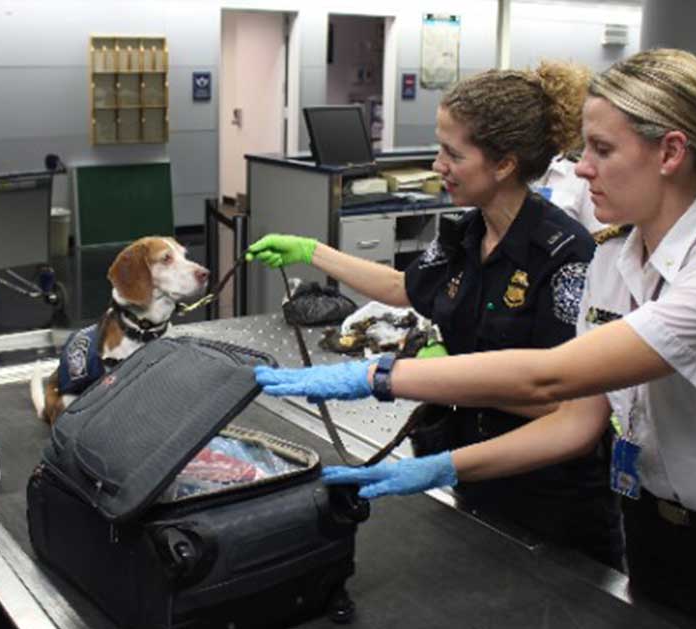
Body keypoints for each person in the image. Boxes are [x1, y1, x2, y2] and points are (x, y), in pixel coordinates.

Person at [256, 49, 696, 629]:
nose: (580, 167)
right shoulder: (616, 256)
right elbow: (577, 421)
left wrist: (375, 377)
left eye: (601, 149)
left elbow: (553, 376)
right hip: (657, 532)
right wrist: (442, 468)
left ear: (670, 151)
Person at [246, 62, 623, 569]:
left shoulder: (565, 256)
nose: (437, 163)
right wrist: (311, 251)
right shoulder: (467, 233)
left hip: (545, 502)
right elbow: (407, 288)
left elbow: (562, 407)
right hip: (473, 473)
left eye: (453, 153)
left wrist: (425, 377)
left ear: (505, 164)